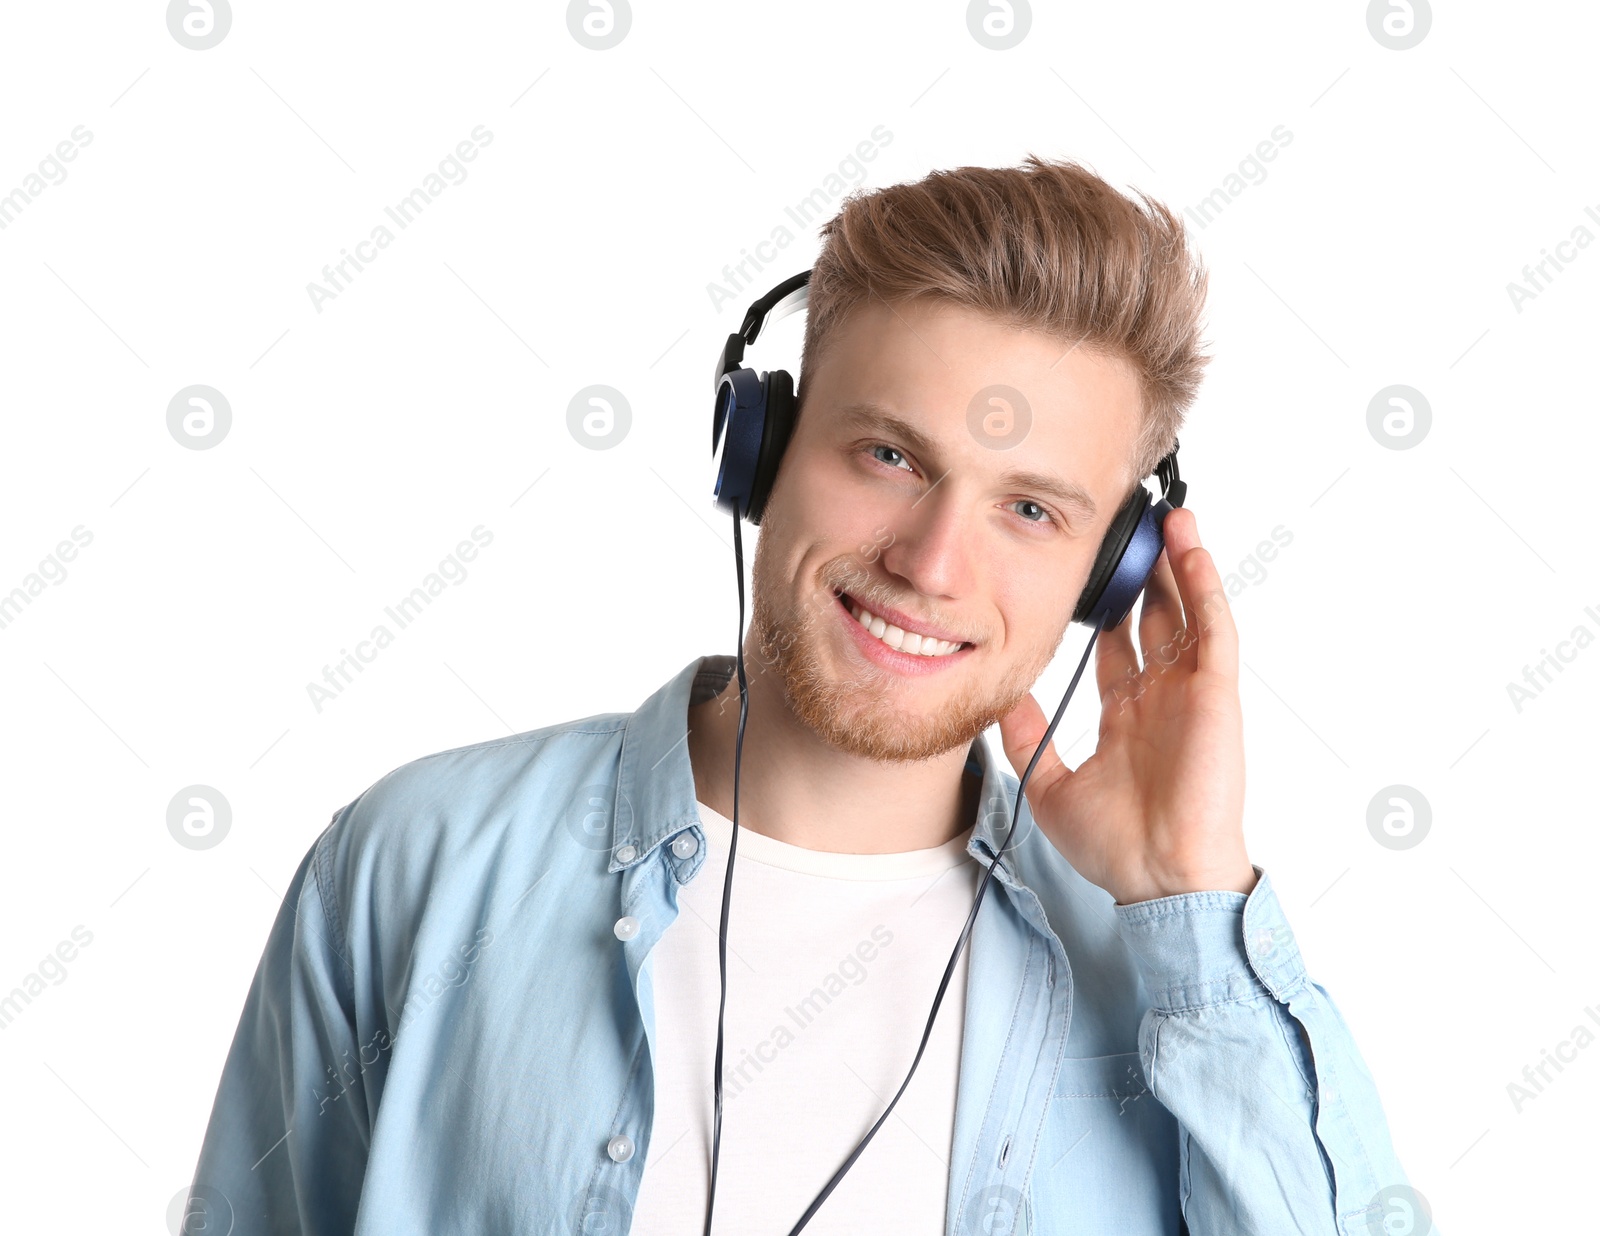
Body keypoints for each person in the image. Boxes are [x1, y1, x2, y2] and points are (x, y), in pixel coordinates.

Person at [186, 155, 1431, 1236]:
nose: (933, 563)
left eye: (1031, 509)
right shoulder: (417, 863)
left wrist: (1192, 909)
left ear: (1111, 576)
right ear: (758, 453)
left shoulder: (1163, 981)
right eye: (890, 456)